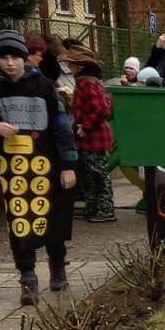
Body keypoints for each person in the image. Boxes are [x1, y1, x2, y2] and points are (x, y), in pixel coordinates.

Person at [0, 28, 79, 307]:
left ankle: (58, 269)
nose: (10, 63)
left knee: (54, 219)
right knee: (19, 223)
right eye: (4, 58)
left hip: (47, 164)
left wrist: (68, 165)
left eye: (15, 57)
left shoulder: (44, 86)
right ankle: (28, 279)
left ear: (24, 58)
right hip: (13, 168)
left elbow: (62, 128)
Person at [65, 45, 116, 223]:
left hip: (93, 137)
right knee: (91, 174)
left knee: (97, 174)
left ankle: (105, 209)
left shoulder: (86, 83)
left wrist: (85, 126)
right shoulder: (90, 81)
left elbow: (101, 109)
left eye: (71, 64)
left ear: (79, 66)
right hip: (92, 137)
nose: (68, 67)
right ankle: (95, 208)